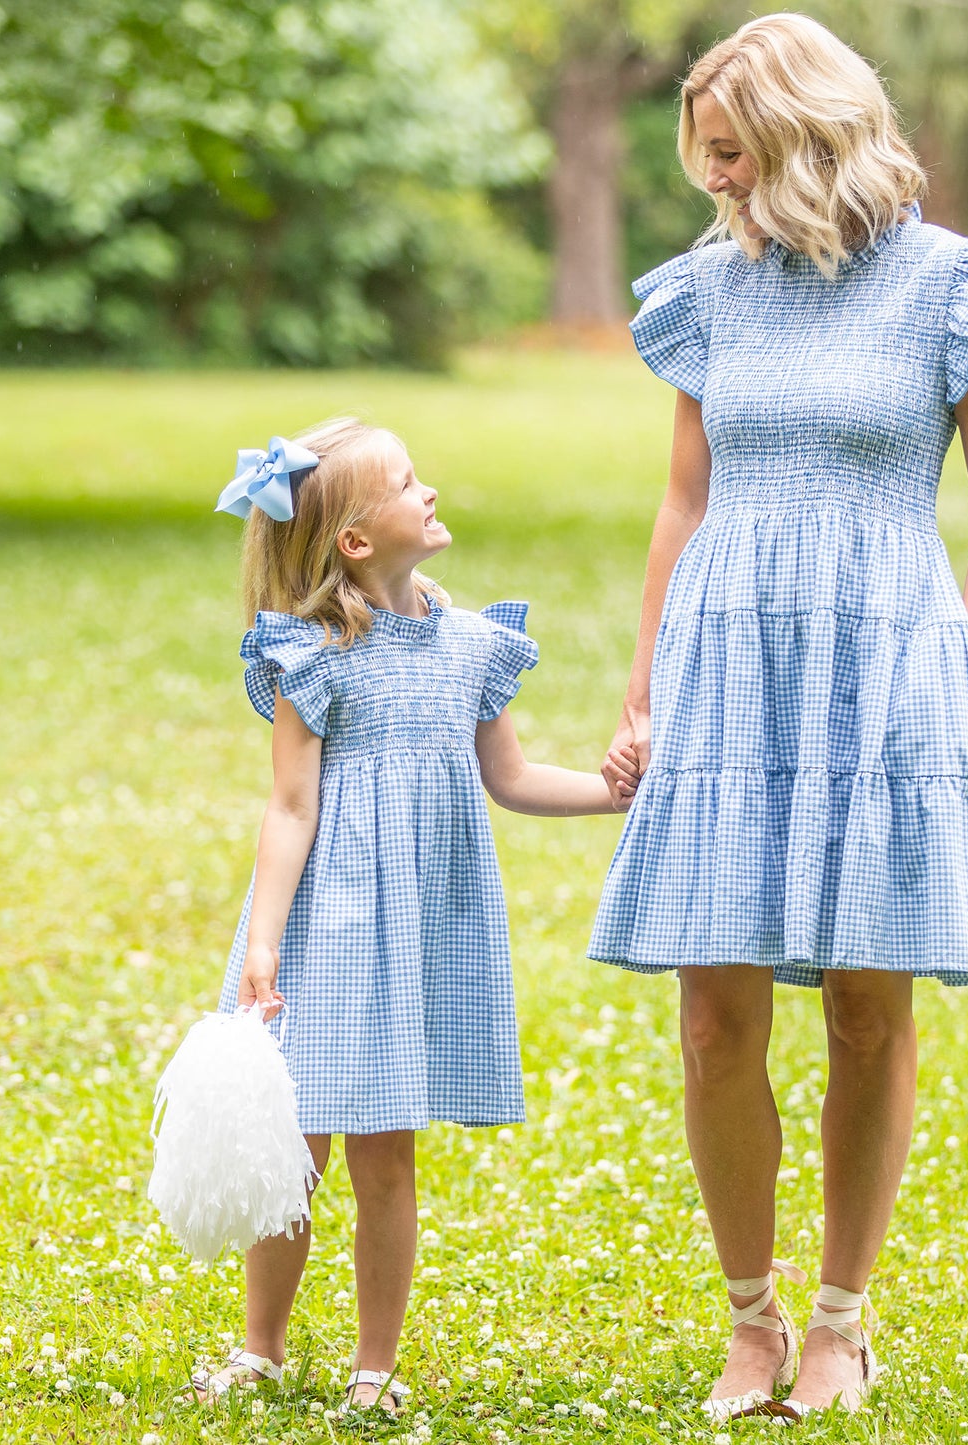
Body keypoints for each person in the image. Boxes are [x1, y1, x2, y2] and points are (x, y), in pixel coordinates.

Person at [590, 12, 968, 1423]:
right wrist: (644, 687)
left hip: (888, 665)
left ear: (806, 137)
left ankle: (842, 1323)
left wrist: (946, 658)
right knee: (714, 1013)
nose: (716, 183)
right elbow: (686, 499)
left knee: (867, 1002)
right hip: (730, 662)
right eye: (705, 161)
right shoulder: (703, 295)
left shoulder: (953, 292)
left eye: (732, 156)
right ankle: (751, 1321)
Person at [188, 418, 639, 1413]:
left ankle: (374, 1368)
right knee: (292, 1148)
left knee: (386, 1155)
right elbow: (291, 806)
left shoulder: (474, 643)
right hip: (322, 928)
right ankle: (260, 1347)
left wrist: (619, 795)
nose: (428, 491)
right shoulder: (310, 654)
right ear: (354, 538)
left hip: (416, 931)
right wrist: (262, 941)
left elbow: (511, 778)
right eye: (405, 482)